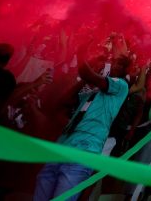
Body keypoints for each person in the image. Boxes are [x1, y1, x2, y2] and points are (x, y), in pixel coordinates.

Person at [33, 42, 131, 201]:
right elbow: (64, 102)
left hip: (85, 148)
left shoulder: (121, 86)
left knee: (63, 198)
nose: (113, 65)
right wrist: (85, 79)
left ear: (126, 70)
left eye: (119, 64)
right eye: (113, 62)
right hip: (63, 144)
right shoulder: (92, 92)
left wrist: (82, 51)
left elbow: (88, 73)